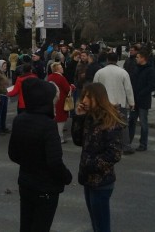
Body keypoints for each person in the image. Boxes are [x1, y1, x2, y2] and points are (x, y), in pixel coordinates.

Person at [8, 78, 72, 232]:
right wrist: (66, 176)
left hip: (26, 181)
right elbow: (54, 161)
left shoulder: (19, 120)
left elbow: (13, 153)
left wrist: (28, 163)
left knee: (26, 224)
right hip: (45, 186)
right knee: (41, 226)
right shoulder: (48, 125)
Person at [72, 82, 124, 232]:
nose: (84, 101)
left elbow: (114, 154)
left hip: (101, 181)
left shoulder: (110, 120)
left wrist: (91, 164)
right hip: (88, 179)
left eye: (89, 97)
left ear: (99, 98)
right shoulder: (89, 117)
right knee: (95, 222)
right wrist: (79, 117)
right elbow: (78, 141)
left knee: (101, 226)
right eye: (83, 97)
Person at [93, 52, 135, 154]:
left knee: (103, 124)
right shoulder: (123, 72)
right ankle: (126, 146)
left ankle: (103, 145)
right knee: (123, 125)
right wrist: (131, 102)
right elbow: (128, 89)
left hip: (104, 103)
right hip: (119, 103)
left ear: (107, 59)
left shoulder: (100, 72)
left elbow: (94, 88)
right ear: (117, 60)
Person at [128, 50, 155, 152]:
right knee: (131, 121)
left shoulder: (150, 70)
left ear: (143, 58)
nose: (136, 58)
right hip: (134, 100)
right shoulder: (136, 69)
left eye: (138, 57)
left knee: (143, 123)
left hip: (143, 100)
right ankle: (128, 142)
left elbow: (152, 85)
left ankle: (143, 144)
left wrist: (141, 93)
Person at [47, 62, 73, 143]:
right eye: (61, 67)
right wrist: (72, 86)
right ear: (57, 69)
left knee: (54, 117)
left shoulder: (49, 77)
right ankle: (60, 138)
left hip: (52, 100)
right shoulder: (61, 78)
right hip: (61, 100)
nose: (62, 68)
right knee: (61, 119)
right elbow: (67, 89)